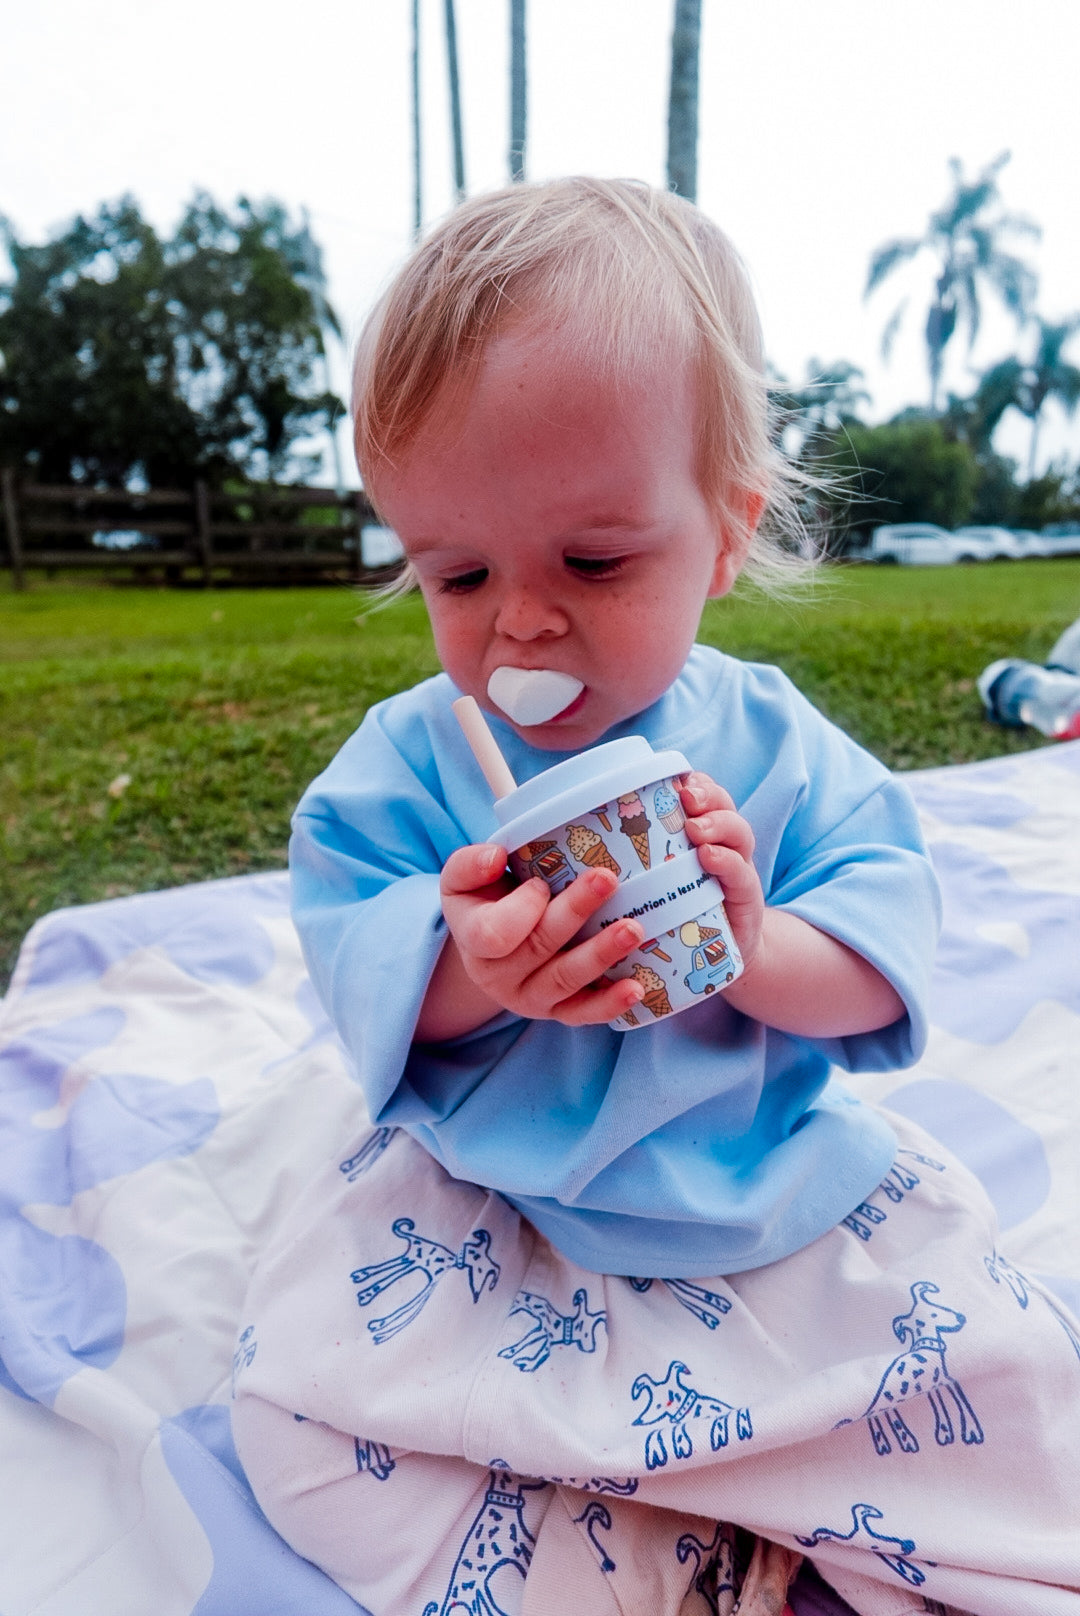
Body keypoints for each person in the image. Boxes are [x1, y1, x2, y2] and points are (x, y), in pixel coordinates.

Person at [231, 179, 1080, 1616]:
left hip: (763, 1188)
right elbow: (352, 938)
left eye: (595, 561)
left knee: (1013, 1391)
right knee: (296, 1414)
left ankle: (763, 1491)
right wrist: (469, 969)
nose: (522, 621)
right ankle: (657, 1553)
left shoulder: (774, 743)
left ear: (726, 532)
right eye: (458, 574)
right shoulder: (415, 760)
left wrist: (756, 943)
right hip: (499, 1202)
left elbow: (880, 953)